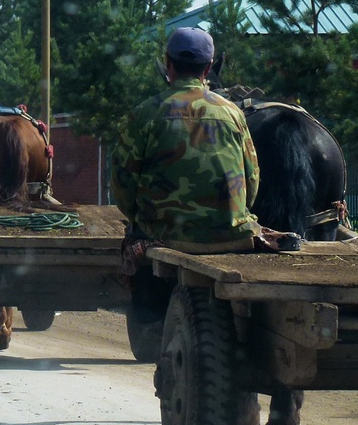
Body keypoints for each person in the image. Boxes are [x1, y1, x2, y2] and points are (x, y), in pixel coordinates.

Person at [111, 26, 261, 326]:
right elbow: (252, 180)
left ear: (168, 64)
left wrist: (140, 220)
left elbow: (123, 186)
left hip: (164, 236)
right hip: (230, 234)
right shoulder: (233, 114)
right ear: (208, 68)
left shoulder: (144, 114)